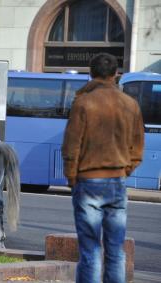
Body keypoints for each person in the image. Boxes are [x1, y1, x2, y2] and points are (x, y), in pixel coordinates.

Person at [62, 53, 144, 283]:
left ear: (91, 72)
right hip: (117, 180)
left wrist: (72, 178)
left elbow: (71, 145)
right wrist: (124, 170)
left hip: (88, 181)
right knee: (116, 251)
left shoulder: (83, 102)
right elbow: (137, 148)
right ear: (116, 74)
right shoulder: (130, 104)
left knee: (90, 252)